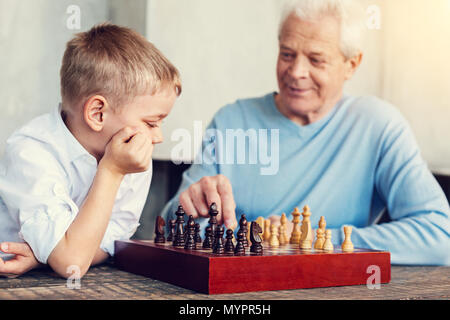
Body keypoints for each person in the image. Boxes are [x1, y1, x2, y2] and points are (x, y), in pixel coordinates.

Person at [162, 0, 450, 265]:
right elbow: (170, 223)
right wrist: (190, 205)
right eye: (287, 54)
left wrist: (313, 239)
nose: (296, 71)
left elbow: (439, 237)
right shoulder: (231, 121)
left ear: (351, 65)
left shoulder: (379, 126)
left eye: (316, 60)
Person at [0, 23, 181, 278]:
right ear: (97, 113)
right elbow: (72, 264)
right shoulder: (30, 152)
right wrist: (111, 171)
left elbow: (112, 242)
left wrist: (46, 258)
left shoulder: (132, 154)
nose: (158, 136)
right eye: (151, 123)